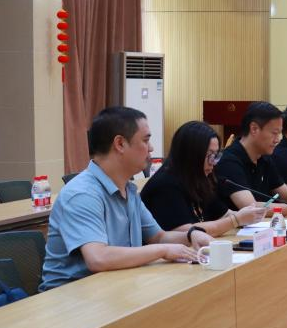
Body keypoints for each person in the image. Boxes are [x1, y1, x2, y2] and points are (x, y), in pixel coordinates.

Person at [40, 107, 210, 291]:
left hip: (114, 287)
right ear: (120, 144)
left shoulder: (129, 189)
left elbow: (159, 237)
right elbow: (98, 258)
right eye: (145, 140)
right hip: (70, 297)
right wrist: (163, 250)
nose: (151, 148)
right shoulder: (82, 194)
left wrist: (191, 235)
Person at [141, 121, 269, 236]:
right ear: (191, 155)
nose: (213, 163)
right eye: (209, 155)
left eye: (216, 155)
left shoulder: (200, 179)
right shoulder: (165, 184)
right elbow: (186, 232)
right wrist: (236, 220)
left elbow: (223, 214)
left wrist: (250, 215)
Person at [213, 101, 287, 214]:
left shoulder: (265, 157)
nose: (277, 140)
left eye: (279, 134)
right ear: (254, 129)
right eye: (274, 133)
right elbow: (251, 207)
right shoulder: (229, 161)